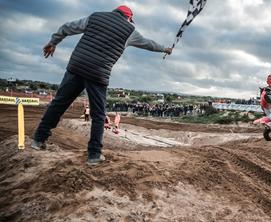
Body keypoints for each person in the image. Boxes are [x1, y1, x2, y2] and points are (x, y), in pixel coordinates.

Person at [31, 5, 172, 165]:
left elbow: (66, 27)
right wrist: (165, 49)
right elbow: (149, 44)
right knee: (98, 115)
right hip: (98, 73)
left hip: (77, 66)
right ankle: (94, 155)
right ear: (128, 18)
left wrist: (53, 42)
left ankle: (38, 140)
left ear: (114, 12)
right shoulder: (130, 31)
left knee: (58, 104)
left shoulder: (95, 17)